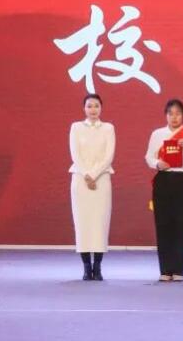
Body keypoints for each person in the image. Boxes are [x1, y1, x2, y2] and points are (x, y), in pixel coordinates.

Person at [144, 99, 183, 282]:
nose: (174, 117)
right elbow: (149, 157)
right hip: (163, 180)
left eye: (178, 113)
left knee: (182, 225)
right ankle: (165, 269)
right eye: (170, 113)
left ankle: (178, 270)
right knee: (163, 225)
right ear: (166, 115)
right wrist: (157, 163)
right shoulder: (157, 134)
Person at [68, 93, 115, 281]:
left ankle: (98, 266)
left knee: (100, 223)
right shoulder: (76, 127)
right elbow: (75, 154)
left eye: (96, 106)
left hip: (101, 180)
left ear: (101, 108)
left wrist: (94, 174)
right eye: (89, 106)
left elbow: (109, 156)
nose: (93, 109)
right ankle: (87, 267)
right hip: (80, 180)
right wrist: (87, 174)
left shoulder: (108, 128)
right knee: (83, 224)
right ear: (84, 108)